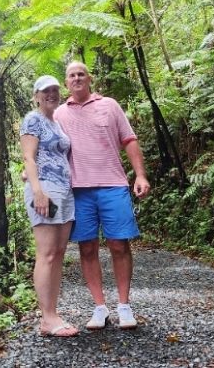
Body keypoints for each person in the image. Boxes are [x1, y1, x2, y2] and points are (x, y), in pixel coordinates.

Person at [54, 61, 150, 330]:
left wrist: (140, 175)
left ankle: (124, 305)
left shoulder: (110, 105)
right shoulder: (60, 113)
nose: (76, 78)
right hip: (78, 190)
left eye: (81, 74)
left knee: (119, 244)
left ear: (90, 78)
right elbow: (49, 147)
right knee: (87, 247)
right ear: (66, 82)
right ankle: (99, 307)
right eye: (71, 75)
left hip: (113, 185)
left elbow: (129, 139)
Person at [19, 75, 79, 337]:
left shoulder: (56, 123)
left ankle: (52, 314)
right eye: (46, 91)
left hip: (63, 192)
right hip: (45, 190)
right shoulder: (33, 119)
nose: (51, 94)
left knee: (58, 253)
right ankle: (47, 318)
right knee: (47, 253)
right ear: (36, 95)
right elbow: (28, 158)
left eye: (55, 90)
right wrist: (38, 192)